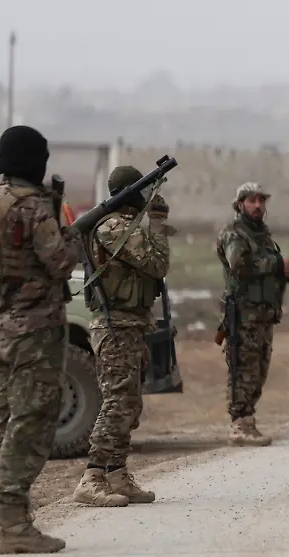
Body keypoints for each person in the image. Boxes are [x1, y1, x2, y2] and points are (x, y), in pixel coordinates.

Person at [0, 125, 81, 554]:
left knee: (5, 423)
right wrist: (76, 236)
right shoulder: (34, 208)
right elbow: (61, 263)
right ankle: (13, 524)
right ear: (35, 160)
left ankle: (7, 517)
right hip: (34, 333)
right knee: (31, 422)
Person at [70, 166, 172, 507]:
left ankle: (116, 473)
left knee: (130, 403)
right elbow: (157, 265)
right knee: (117, 402)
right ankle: (92, 477)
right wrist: (157, 224)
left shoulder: (123, 226)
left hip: (131, 325)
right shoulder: (112, 227)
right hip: (115, 326)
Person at [215, 182, 289, 446]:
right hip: (243, 314)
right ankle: (239, 424)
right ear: (240, 204)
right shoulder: (234, 233)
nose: (258, 205)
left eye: (261, 200)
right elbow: (238, 265)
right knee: (243, 368)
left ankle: (248, 420)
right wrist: (277, 264)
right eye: (252, 201)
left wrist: (286, 272)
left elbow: (268, 271)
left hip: (263, 314)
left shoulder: (262, 235)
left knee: (259, 369)